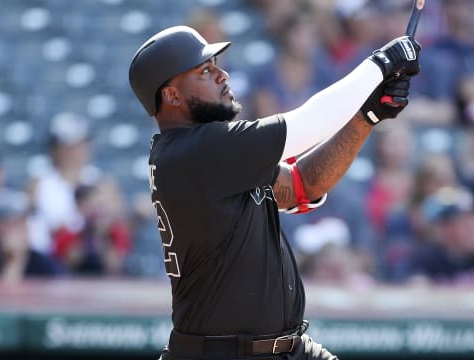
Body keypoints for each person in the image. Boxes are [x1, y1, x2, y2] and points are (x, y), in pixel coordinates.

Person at [128, 25, 420, 359]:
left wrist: (365, 116)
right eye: (205, 71)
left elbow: (303, 185)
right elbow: (311, 121)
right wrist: (381, 63)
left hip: (286, 348)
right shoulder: (196, 150)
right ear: (172, 96)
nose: (223, 75)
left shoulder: (205, 153)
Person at [0, 192, 63, 282]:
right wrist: (13, 261)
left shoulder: (42, 262)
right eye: (12, 224)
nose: (19, 230)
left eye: (22, 223)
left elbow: (61, 281)